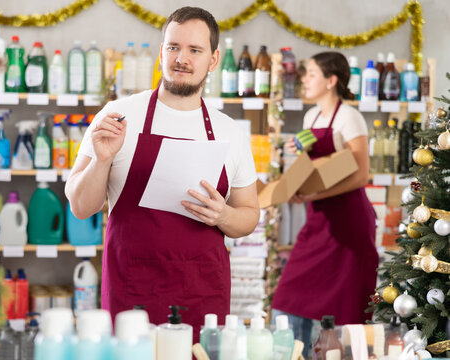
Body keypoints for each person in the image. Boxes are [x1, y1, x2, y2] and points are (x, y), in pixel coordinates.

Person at [65, 6, 259, 336]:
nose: (181, 58)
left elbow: (250, 215)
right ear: (161, 52)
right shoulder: (118, 116)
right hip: (132, 290)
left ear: (213, 60)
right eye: (173, 47)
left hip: (202, 292)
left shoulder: (231, 133)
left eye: (194, 50)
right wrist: (101, 161)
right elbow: (81, 207)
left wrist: (222, 215)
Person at [271, 52, 378, 356]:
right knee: (289, 296)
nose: (304, 79)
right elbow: (311, 161)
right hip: (318, 220)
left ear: (331, 81)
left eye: (312, 74)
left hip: (348, 224)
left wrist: (311, 195)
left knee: (347, 305)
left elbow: (360, 174)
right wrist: (295, 169)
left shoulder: (349, 117)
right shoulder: (311, 117)